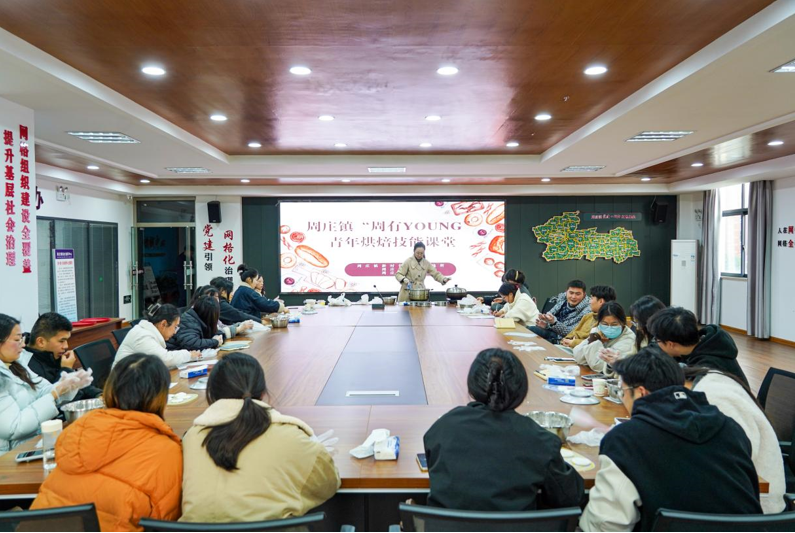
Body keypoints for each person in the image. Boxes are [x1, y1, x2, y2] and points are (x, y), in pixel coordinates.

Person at [579, 348, 762, 532]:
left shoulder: (625, 439)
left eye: (623, 391)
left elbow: (605, 526)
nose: (622, 397)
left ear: (641, 392)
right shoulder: (731, 428)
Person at [31, 353, 182, 531]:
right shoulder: (166, 450)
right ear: (161, 396)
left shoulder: (77, 430)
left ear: (110, 388)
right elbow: (165, 523)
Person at [181, 352, 340, 522]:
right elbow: (328, 484)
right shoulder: (291, 435)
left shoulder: (191, 438)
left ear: (211, 395)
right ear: (263, 392)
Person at [423, 348, 583, 511]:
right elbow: (570, 497)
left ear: (473, 385)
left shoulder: (443, 428)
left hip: (446, 524)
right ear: (521, 389)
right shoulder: (541, 440)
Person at [685, 366, 785, 514]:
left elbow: (725, 469)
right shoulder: (709, 381)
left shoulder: (715, 400)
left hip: (758, 510)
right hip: (739, 498)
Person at [0, 314, 90, 453]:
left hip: (31, 443)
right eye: (17, 340)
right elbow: (14, 428)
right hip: (9, 456)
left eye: (22, 338)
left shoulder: (17, 363)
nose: (23, 344)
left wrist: (66, 386)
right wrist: (54, 394)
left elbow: (42, 389)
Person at [647, 307, 749, 386]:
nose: (656, 342)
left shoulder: (707, 369)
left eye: (657, 339)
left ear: (671, 344)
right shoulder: (704, 342)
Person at [20, 312, 102, 400]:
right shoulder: (27, 365)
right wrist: (66, 369)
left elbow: (79, 384)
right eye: (61, 341)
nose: (66, 346)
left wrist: (98, 394)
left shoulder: (52, 354)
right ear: (41, 342)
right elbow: (54, 398)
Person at [115, 303, 201, 368]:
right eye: (175, 327)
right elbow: (164, 359)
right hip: (124, 383)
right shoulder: (142, 336)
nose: (175, 332)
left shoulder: (147, 331)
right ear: (163, 324)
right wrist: (189, 355)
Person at [573, 301, 636, 375]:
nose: (609, 328)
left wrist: (594, 342)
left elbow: (599, 366)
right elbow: (578, 357)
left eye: (614, 324)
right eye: (605, 324)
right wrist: (593, 339)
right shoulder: (599, 332)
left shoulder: (628, 339)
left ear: (623, 323)